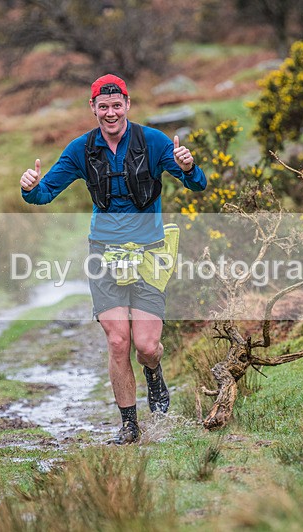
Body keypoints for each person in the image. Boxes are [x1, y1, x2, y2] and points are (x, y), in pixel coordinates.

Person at [20, 74, 206, 444]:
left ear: (127, 105)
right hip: (104, 254)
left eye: (116, 105)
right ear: (92, 108)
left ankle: (153, 372)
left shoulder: (153, 142)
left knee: (147, 347)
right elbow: (45, 194)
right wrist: (29, 188)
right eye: (103, 106)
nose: (110, 113)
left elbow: (197, 185)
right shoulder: (80, 150)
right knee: (119, 341)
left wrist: (187, 168)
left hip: (150, 253)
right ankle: (130, 425)